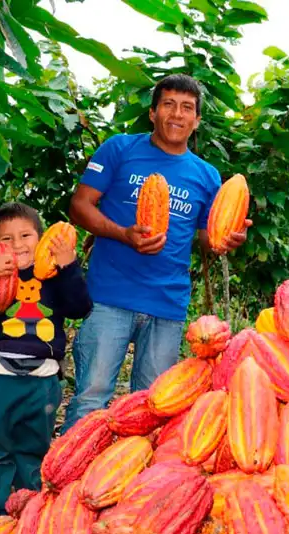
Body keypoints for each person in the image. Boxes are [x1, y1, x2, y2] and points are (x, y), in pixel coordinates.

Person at [63, 74, 250, 432]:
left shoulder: (207, 176)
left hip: (167, 305)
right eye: (168, 104)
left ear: (196, 121)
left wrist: (228, 238)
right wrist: (123, 234)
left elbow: (208, 238)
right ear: (152, 113)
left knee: (155, 407)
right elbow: (80, 206)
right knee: (91, 397)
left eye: (186, 108)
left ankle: (135, 484)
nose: (177, 114)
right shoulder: (120, 149)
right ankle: (67, 482)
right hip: (109, 297)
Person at [0, 203, 92, 515]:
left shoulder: (54, 276)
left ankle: (29, 507)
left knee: (34, 446)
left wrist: (70, 266)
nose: (17, 244)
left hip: (41, 380)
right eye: (6, 239)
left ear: (41, 238)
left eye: (26, 235)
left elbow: (79, 307)